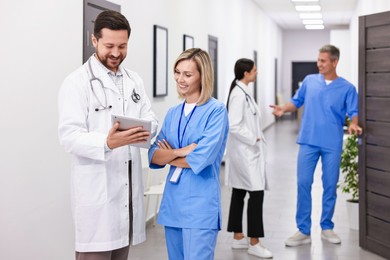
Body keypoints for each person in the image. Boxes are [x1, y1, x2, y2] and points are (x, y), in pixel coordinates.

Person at [58, 10, 158, 260]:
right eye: (109, 46)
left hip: (127, 194)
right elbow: (69, 136)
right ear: (94, 41)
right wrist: (106, 142)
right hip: (97, 196)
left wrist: (142, 130)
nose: (116, 53)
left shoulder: (134, 80)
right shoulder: (77, 83)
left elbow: (151, 119)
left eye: (122, 46)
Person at [270, 44, 363, 247]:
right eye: (318, 60)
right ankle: (303, 230)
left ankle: (327, 227)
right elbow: (296, 101)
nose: (318, 64)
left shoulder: (347, 88)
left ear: (334, 62)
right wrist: (283, 109)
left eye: (323, 60)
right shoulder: (310, 82)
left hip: (332, 142)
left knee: (330, 186)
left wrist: (354, 123)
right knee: (303, 183)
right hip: (308, 141)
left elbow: (353, 111)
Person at [148, 48, 229, 260]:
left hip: (200, 207)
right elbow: (153, 155)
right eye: (177, 72)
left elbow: (201, 159)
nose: (180, 79)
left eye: (187, 74)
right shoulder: (173, 113)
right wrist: (180, 152)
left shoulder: (216, 111)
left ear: (203, 76)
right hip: (173, 204)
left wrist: (171, 156)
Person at [224, 58, 272, 258]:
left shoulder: (242, 91)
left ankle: (237, 237)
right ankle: (254, 241)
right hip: (245, 153)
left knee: (239, 192)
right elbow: (233, 125)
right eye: (254, 70)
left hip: (245, 153)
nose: (256, 72)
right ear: (246, 73)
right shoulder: (238, 95)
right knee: (256, 193)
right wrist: (254, 137)